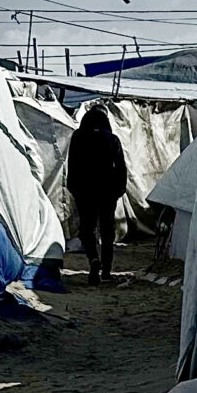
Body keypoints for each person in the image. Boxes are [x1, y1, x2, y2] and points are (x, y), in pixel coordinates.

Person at [66, 104, 129, 284]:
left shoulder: (78, 137)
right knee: (107, 231)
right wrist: (120, 189)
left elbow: (72, 163)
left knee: (87, 229)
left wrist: (73, 187)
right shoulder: (112, 139)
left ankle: (93, 259)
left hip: (84, 190)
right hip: (108, 191)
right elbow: (121, 167)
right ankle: (106, 271)